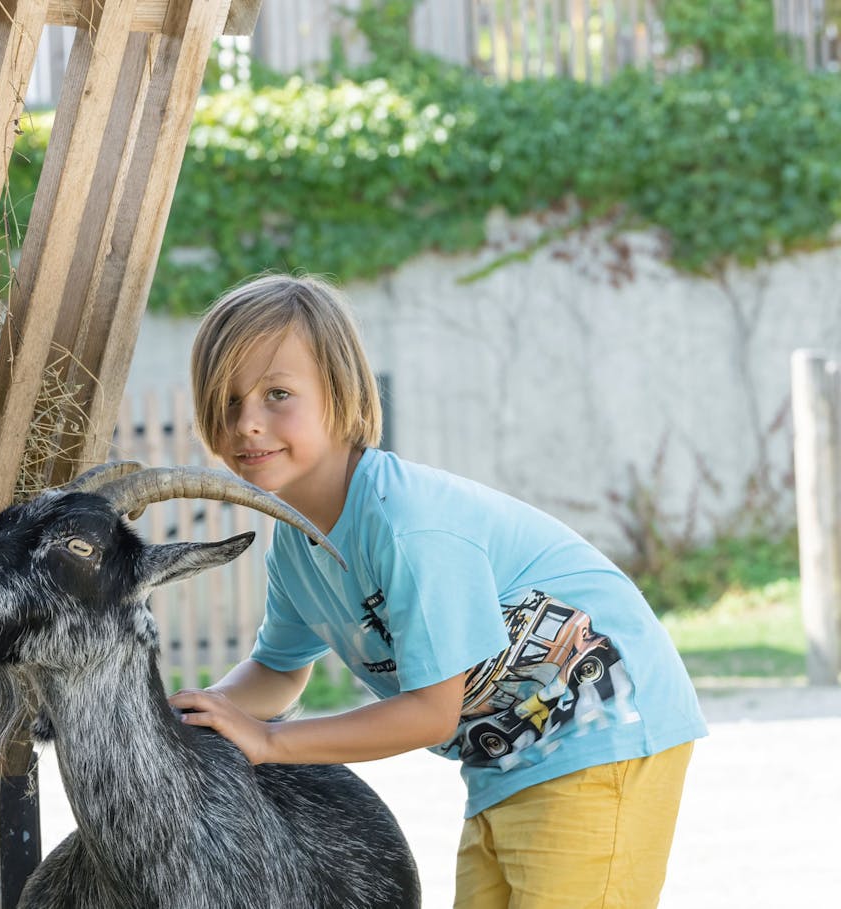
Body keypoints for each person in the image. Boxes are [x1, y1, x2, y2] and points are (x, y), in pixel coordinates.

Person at [167, 273, 707, 909]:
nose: (248, 424)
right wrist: (190, 718)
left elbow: (430, 713)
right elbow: (278, 671)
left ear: (340, 395)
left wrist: (273, 743)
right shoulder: (296, 544)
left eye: (277, 394)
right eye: (228, 403)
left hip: (599, 732)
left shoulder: (406, 525)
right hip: (504, 764)